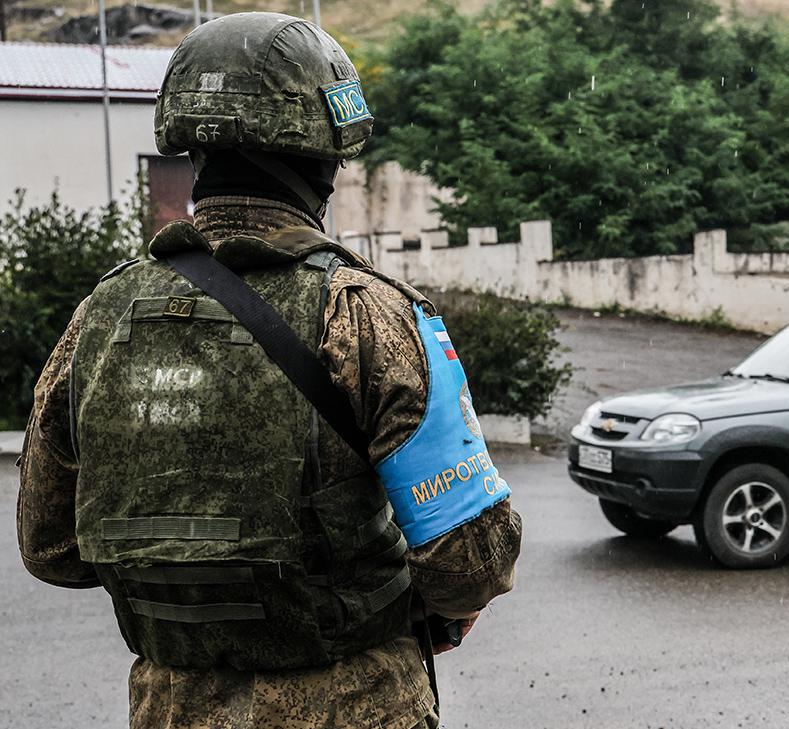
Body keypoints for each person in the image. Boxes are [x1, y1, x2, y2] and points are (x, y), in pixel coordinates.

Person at [17, 12, 521, 729]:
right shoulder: (368, 314)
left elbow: (50, 547)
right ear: (324, 161)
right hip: (355, 707)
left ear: (195, 153)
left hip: (171, 709)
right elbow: (472, 557)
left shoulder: (97, 317)